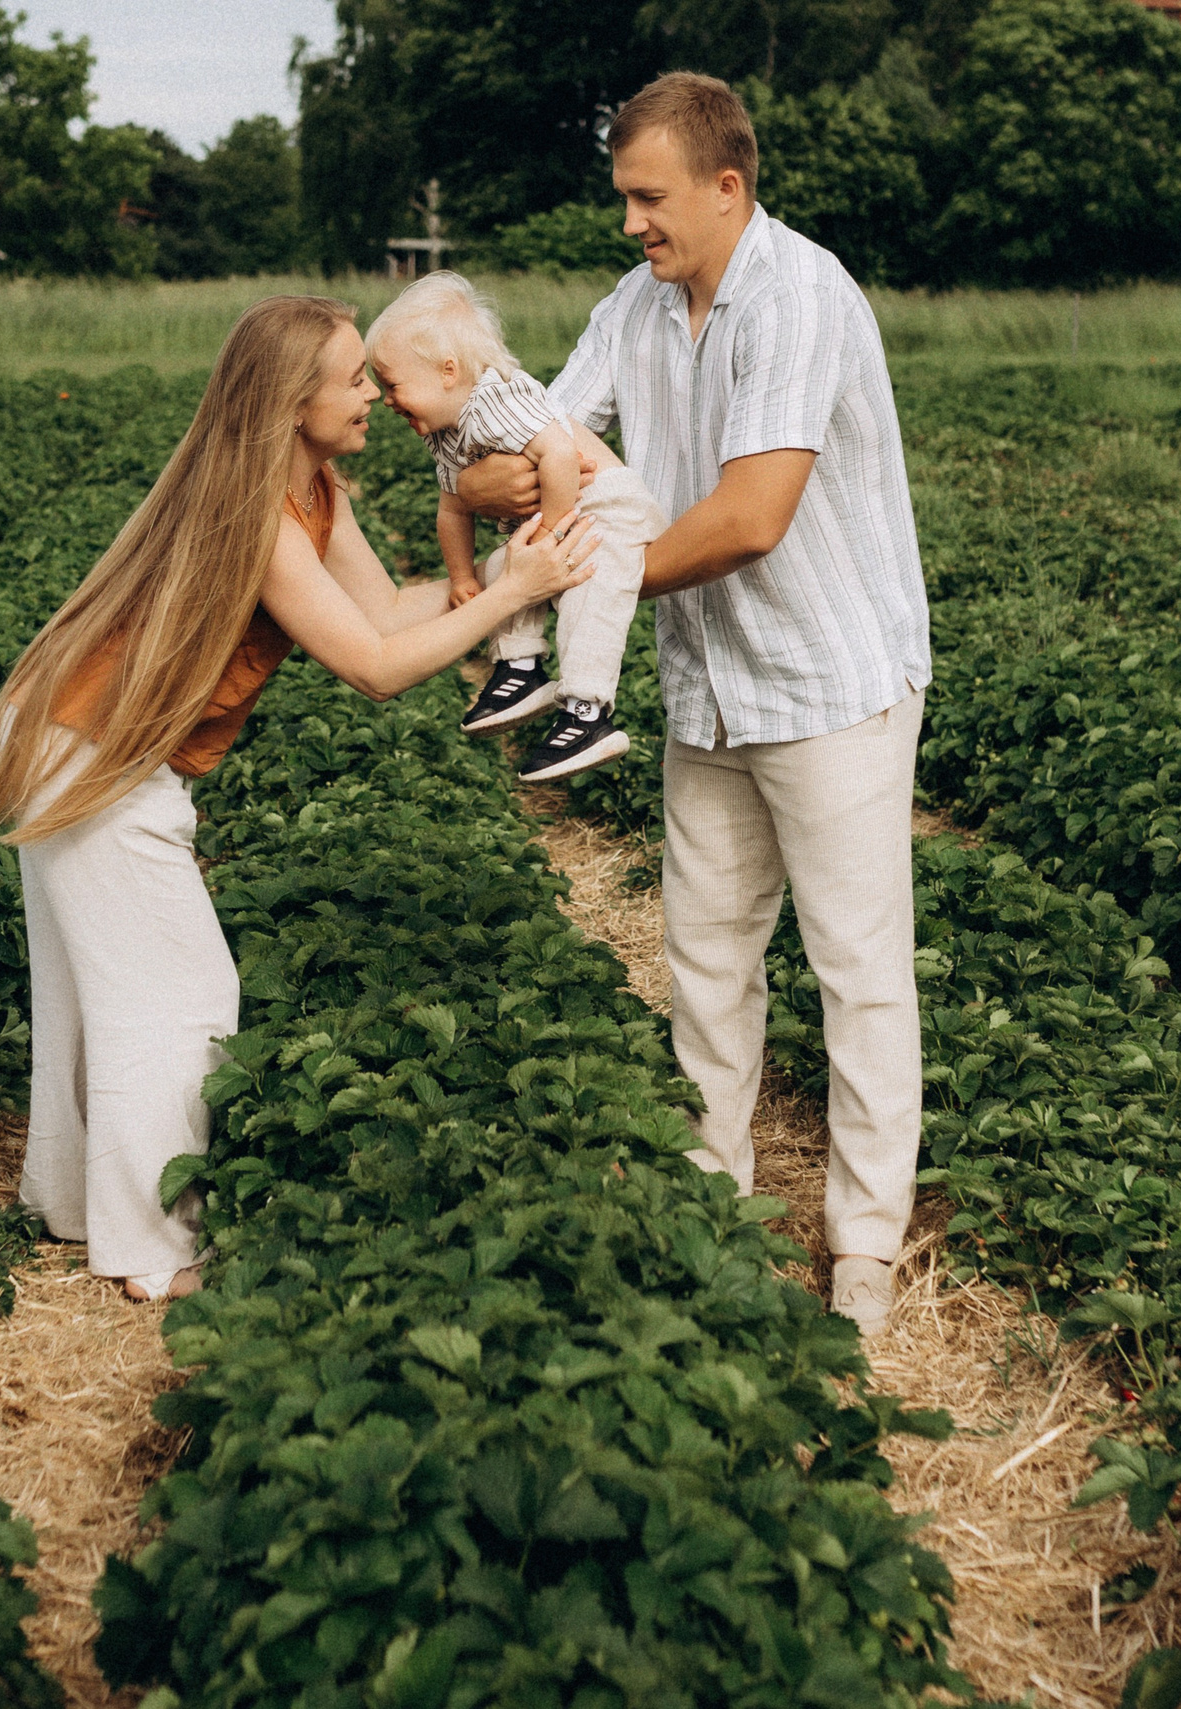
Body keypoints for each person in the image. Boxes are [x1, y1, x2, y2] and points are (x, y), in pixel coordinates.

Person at [0, 295, 601, 1302]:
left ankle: (74, 1206)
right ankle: (148, 1250)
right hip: (84, 751)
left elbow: (391, 608)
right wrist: (507, 592)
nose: (370, 396)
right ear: (289, 401)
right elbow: (375, 666)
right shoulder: (258, 512)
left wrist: (509, 569)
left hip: (78, 737)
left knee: (98, 993)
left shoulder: (316, 490)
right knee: (179, 999)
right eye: (353, 379)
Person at [456, 73, 933, 1335]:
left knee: (856, 972)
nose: (629, 225)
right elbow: (537, 444)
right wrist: (496, 458)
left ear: (728, 186)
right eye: (623, 198)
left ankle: (865, 1247)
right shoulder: (635, 304)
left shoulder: (799, 295)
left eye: (647, 199)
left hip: (828, 681)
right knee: (708, 961)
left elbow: (747, 519)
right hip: (711, 689)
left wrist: (573, 583)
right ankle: (714, 1210)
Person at [363, 272, 668, 783]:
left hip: (605, 508)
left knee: (590, 589)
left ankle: (588, 711)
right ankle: (521, 669)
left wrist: (551, 532)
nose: (387, 400)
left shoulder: (495, 397)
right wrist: (462, 577)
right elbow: (453, 509)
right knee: (509, 569)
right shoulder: (444, 434)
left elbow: (558, 454)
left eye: (393, 385)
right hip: (555, 517)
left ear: (447, 371)